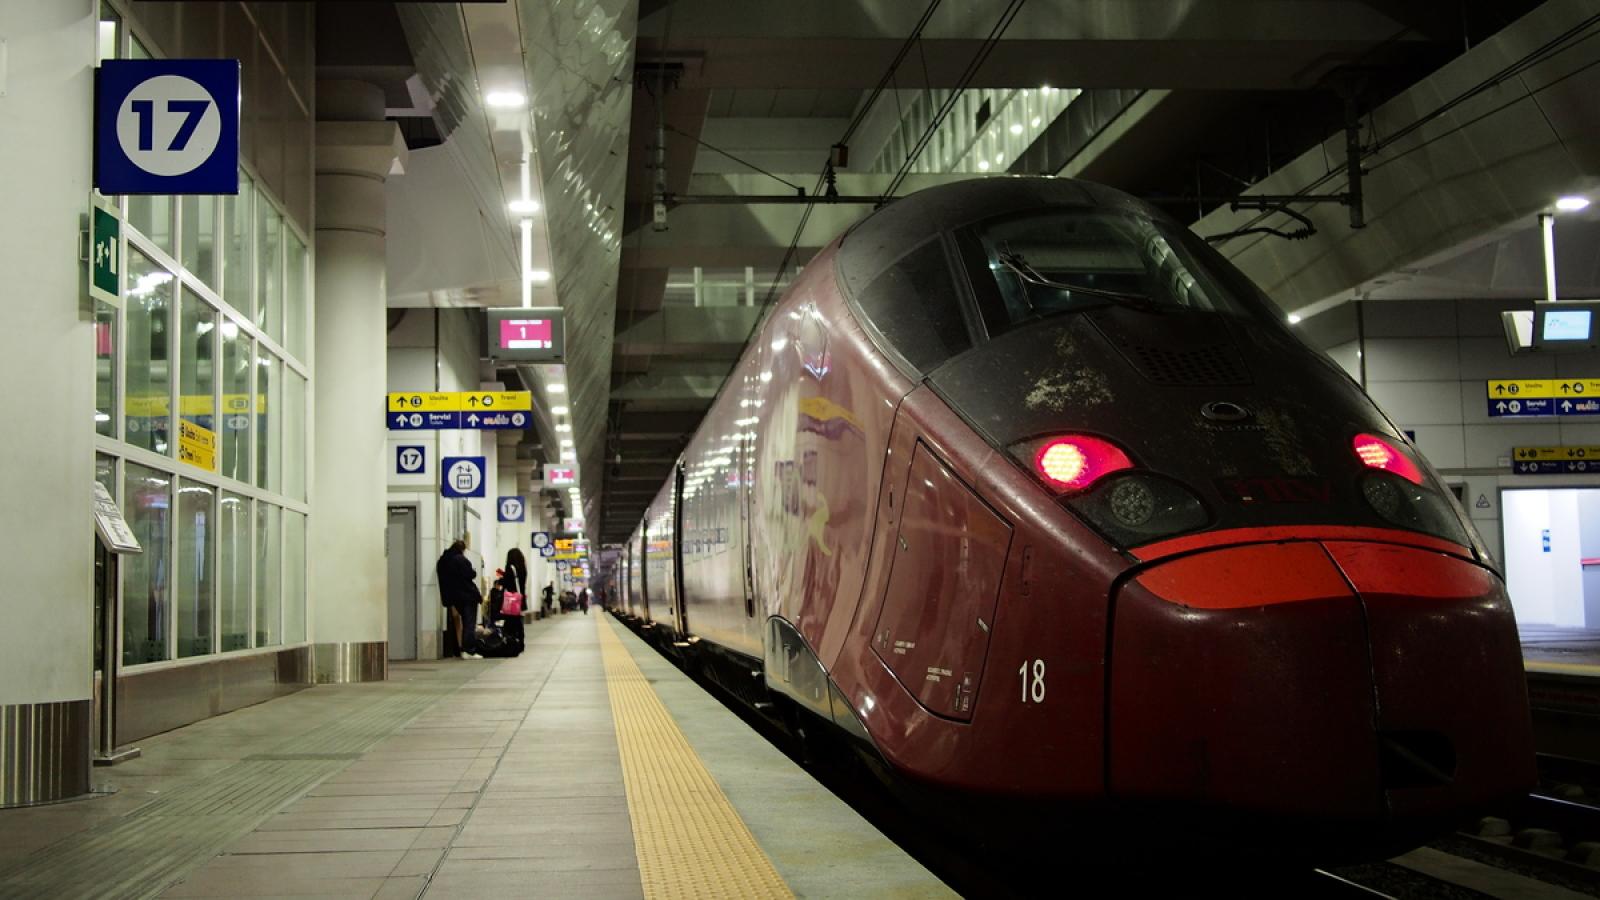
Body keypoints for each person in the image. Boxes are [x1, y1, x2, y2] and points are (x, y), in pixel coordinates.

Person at [436, 540, 482, 659]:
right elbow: (470, 574)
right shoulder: (460, 559)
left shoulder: (443, 561)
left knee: (462, 622)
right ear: (462, 549)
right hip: (467, 595)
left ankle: (461, 649)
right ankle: (469, 650)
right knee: (469, 623)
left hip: (454, 598)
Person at [498, 548, 529, 651]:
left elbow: (508, 582)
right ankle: (520, 643)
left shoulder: (510, 567)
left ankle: (510, 643)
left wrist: (500, 580)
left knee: (510, 621)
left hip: (512, 599)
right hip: (520, 597)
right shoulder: (522, 568)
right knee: (518, 621)